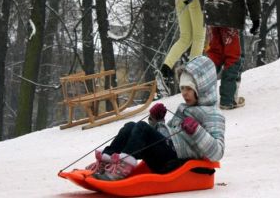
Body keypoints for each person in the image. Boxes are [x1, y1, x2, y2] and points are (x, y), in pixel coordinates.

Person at [87, 56, 225, 181]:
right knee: (130, 126)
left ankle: (122, 169)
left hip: (175, 161)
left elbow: (217, 152)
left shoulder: (213, 114)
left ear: (203, 88)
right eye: (182, 88)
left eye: (188, 88)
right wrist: (157, 121)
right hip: (166, 153)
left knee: (141, 127)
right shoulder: (184, 107)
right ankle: (106, 161)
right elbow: (170, 135)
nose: (184, 93)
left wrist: (197, 131)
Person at [198, 0, 261, 110]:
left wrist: (206, 5)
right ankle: (228, 99)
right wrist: (256, 16)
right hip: (230, 15)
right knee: (233, 56)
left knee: (214, 53)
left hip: (211, 12)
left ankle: (201, 94)